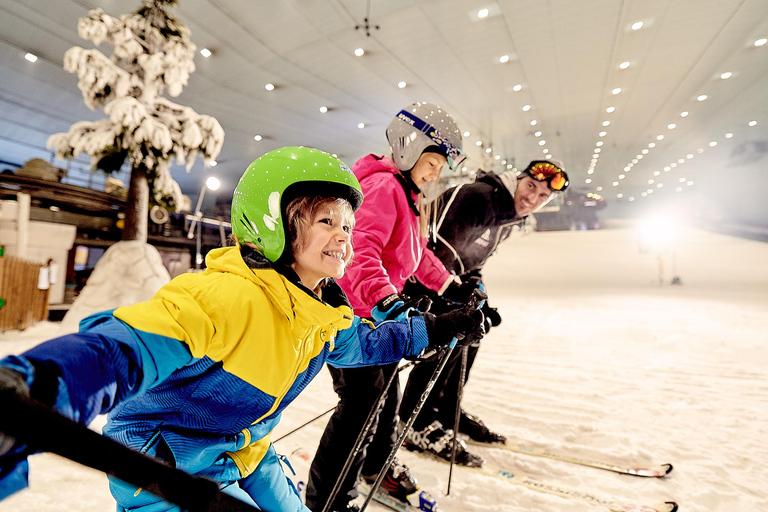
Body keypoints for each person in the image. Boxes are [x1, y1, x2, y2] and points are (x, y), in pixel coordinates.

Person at [0, 147, 483, 512]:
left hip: (244, 450)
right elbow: (123, 347)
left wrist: (439, 327)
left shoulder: (323, 313)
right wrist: (42, 385)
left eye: (349, 226)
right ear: (274, 223)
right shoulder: (227, 296)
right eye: (325, 220)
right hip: (163, 465)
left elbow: (368, 343)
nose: (344, 235)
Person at [305, 102, 483, 512]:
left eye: (441, 166)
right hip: (356, 317)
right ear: (410, 148)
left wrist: (453, 285)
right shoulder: (385, 187)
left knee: (385, 396)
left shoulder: (405, 193)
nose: (436, 173)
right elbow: (358, 253)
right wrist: (388, 300)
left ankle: (377, 470)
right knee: (361, 407)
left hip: (376, 320)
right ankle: (327, 502)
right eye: (433, 161)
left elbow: (414, 255)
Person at [399, 159, 570, 462]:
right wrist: (451, 300)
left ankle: (445, 409)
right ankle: (415, 421)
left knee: (472, 333)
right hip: (413, 283)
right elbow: (428, 251)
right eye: (531, 186)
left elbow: (471, 263)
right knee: (445, 338)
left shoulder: (507, 217)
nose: (532, 198)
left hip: (445, 283)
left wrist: (477, 293)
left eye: (543, 196)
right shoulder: (478, 197)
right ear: (518, 179)